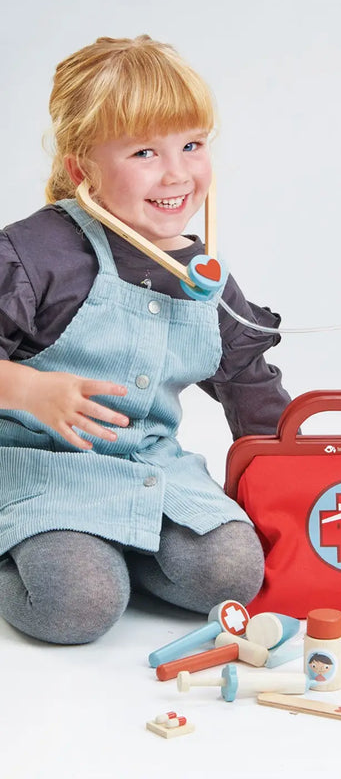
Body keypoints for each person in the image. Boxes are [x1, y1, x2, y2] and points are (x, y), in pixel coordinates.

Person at [0, 35, 291, 645]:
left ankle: (109, 541)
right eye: (143, 152)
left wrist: (301, 484)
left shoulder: (203, 277)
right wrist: (27, 389)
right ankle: (47, 549)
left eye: (192, 144)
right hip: (39, 469)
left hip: (149, 470)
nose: (177, 173)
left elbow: (250, 391)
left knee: (231, 573)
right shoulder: (35, 256)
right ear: (82, 169)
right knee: (76, 606)